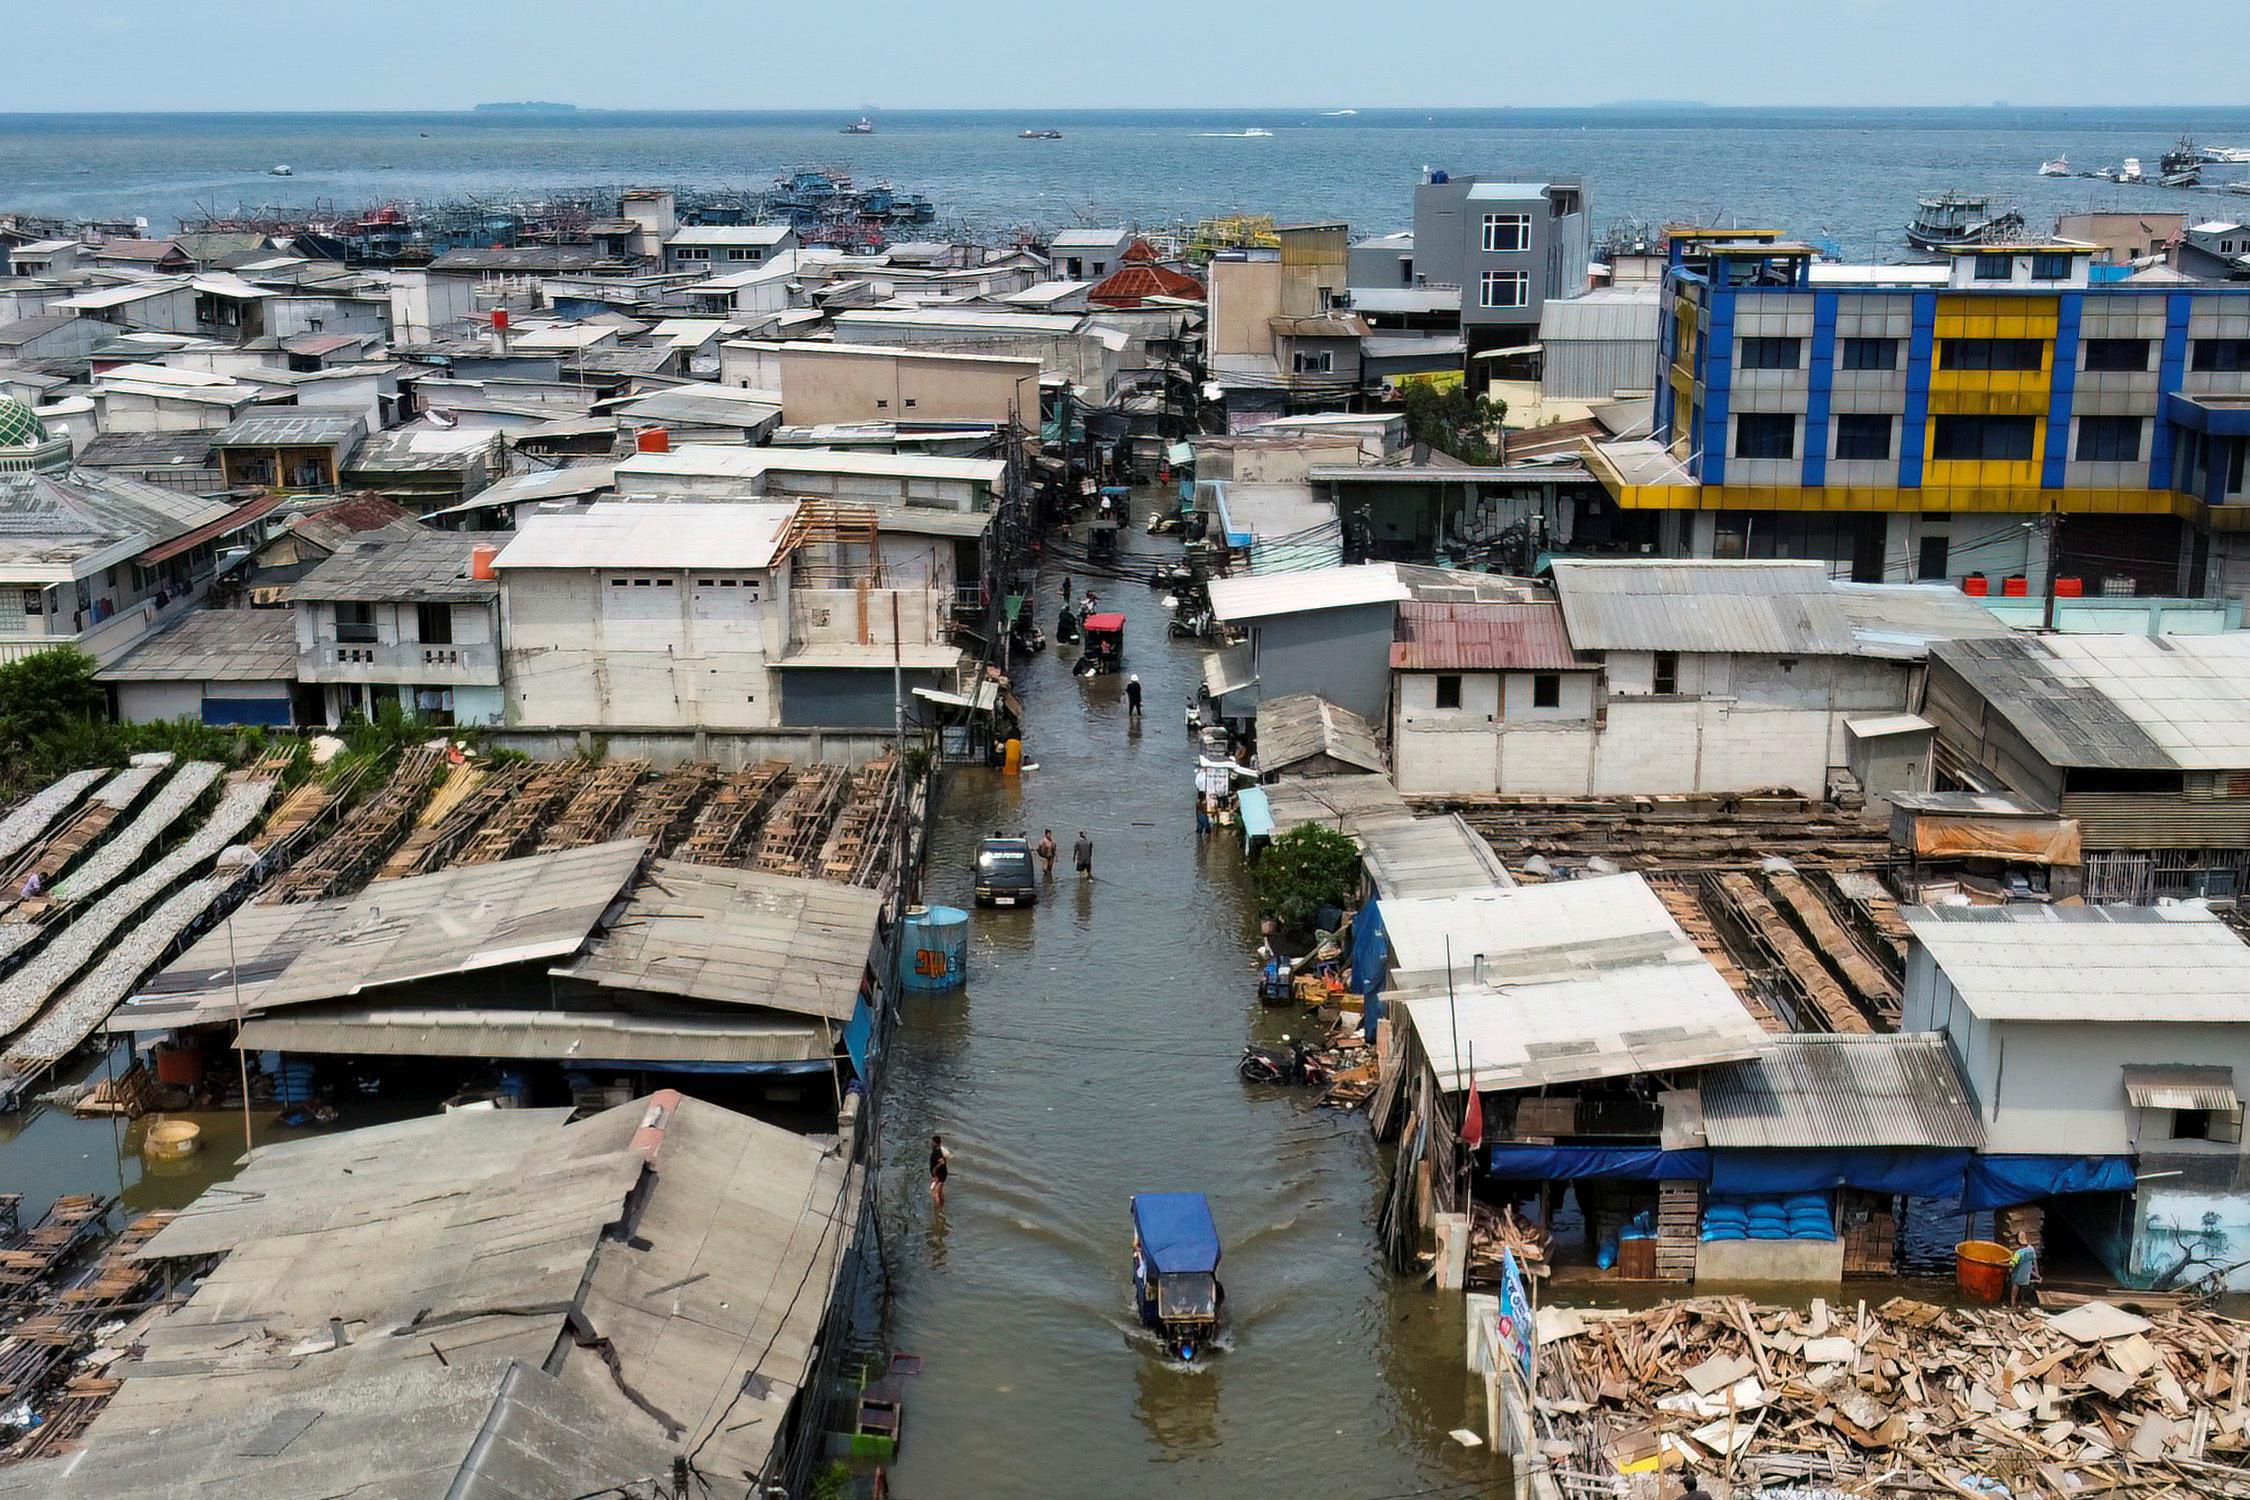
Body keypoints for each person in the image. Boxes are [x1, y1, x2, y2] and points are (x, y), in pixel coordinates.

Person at [2007, 1239, 2040, 1306]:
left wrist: (2009, 1269)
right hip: (2027, 1275)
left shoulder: (2019, 1253)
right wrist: (2037, 1273)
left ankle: (2013, 1304)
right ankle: (2023, 1301)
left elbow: (2012, 1264)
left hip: (2018, 1275)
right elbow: (2034, 1262)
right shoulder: (2031, 1249)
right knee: (2024, 1289)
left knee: (2014, 1291)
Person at [929, 1134, 952, 1209]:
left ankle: (937, 1210)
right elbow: (944, 1161)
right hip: (943, 1174)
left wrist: (934, 1170)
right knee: (940, 1191)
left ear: (936, 1143)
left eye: (932, 1142)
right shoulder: (941, 1151)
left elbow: (942, 1162)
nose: (931, 1144)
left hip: (939, 1176)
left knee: (934, 1192)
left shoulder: (936, 1152)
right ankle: (942, 1205)